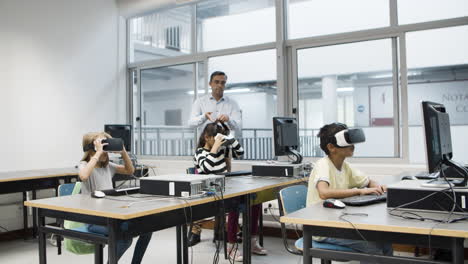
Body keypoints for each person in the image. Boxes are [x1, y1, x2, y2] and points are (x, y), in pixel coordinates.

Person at [306, 123, 393, 261]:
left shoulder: (345, 167)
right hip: (322, 228)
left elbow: (368, 181)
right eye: (347, 142)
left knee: (385, 241)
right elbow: (324, 192)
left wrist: (378, 187)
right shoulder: (322, 165)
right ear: (331, 147)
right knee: (372, 247)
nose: (353, 145)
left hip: (339, 223)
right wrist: (358, 192)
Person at [191, 122, 267, 262]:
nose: (219, 142)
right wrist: (215, 147)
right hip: (210, 192)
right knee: (234, 205)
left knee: (255, 200)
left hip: (226, 187)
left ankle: (251, 241)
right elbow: (207, 168)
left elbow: (240, 153)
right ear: (207, 137)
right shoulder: (200, 152)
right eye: (215, 139)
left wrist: (231, 138)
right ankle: (231, 246)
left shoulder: (222, 149)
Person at [79, 132, 153, 264]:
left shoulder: (108, 167)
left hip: (111, 217)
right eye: (103, 150)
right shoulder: (84, 165)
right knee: (125, 238)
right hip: (93, 220)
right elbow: (84, 176)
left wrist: (123, 152)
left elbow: (130, 170)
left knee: (147, 228)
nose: (105, 153)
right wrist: (97, 153)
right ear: (91, 149)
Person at [188, 71, 242, 138]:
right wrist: (204, 117)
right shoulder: (200, 101)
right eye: (216, 82)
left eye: (223, 83)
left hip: (225, 145)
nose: (220, 85)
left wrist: (228, 119)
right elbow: (191, 124)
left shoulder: (233, 103)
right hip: (206, 145)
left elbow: (238, 127)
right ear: (210, 84)